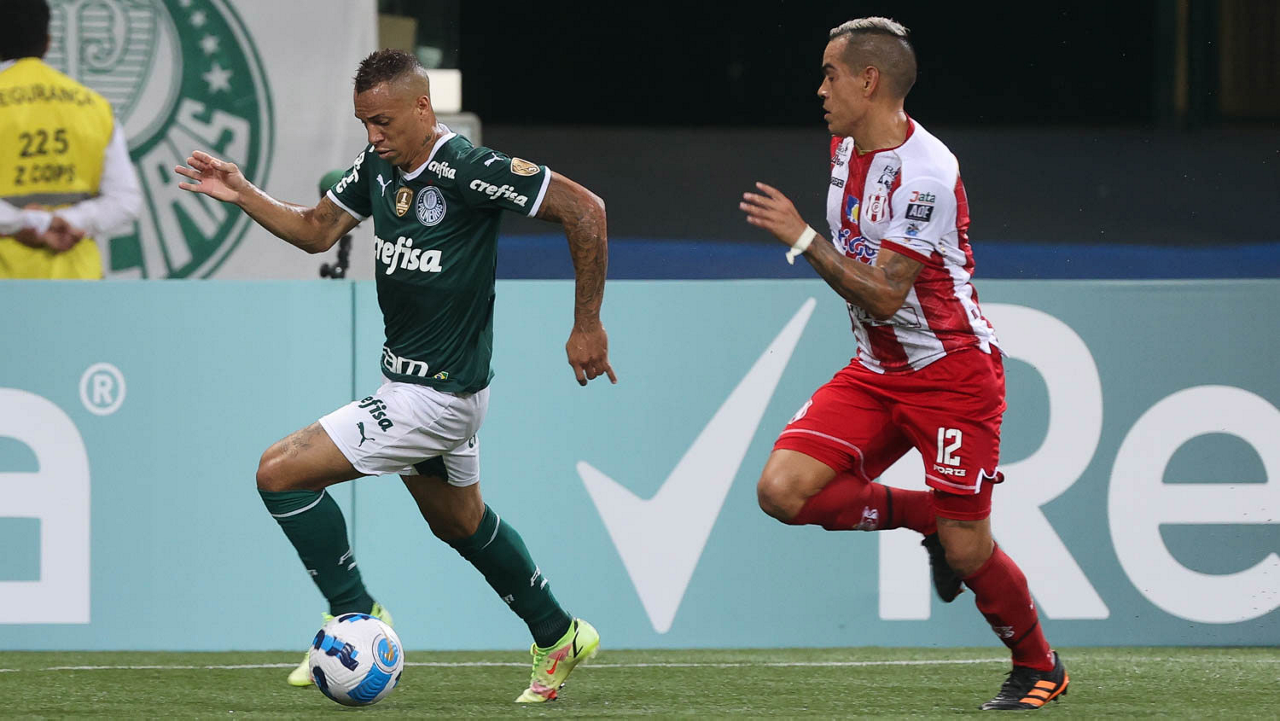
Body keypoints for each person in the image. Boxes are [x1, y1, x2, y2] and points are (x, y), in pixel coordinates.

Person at [174, 49, 614, 704]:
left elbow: (586, 210)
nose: (373, 135)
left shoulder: (469, 168)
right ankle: (559, 633)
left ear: (422, 107)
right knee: (460, 523)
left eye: (382, 121)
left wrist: (587, 324)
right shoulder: (378, 167)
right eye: (364, 123)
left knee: (279, 472)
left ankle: (355, 612)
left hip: (436, 398)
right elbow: (317, 231)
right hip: (414, 389)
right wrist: (242, 192)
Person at [739, 17, 1069, 711]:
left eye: (830, 74)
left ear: (869, 81)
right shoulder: (844, 147)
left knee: (969, 548)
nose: (819, 88)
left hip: (951, 375)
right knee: (781, 491)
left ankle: (1039, 665)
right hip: (875, 371)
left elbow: (888, 294)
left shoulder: (927, 174)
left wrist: (802, 237)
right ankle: (927, 518)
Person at [0, 0, 141, 279]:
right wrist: (69, 220)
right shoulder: (92, 105)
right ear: (47, 42)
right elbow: (125, 200)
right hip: (77, 282)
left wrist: (26, 223)